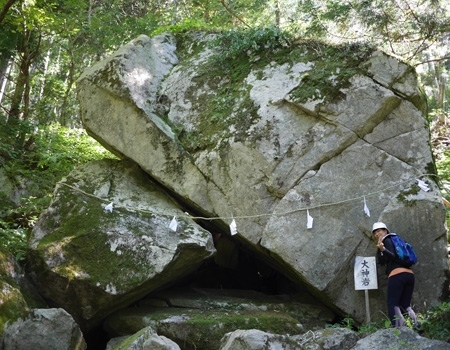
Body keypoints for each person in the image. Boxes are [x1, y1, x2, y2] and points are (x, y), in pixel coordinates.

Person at [372, 222, 419, 328]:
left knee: (393, 303)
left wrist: (383, 249)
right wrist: (380, 250)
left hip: (397, 275)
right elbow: (382, 261)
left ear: (385, 231)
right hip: (409, 275)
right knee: (405, 305)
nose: (377, 234)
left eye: (379, 230)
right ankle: (416, 326)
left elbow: (393, 257)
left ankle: (399, 330)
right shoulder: (397, 241)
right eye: (375, 232)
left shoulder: (387, 240)